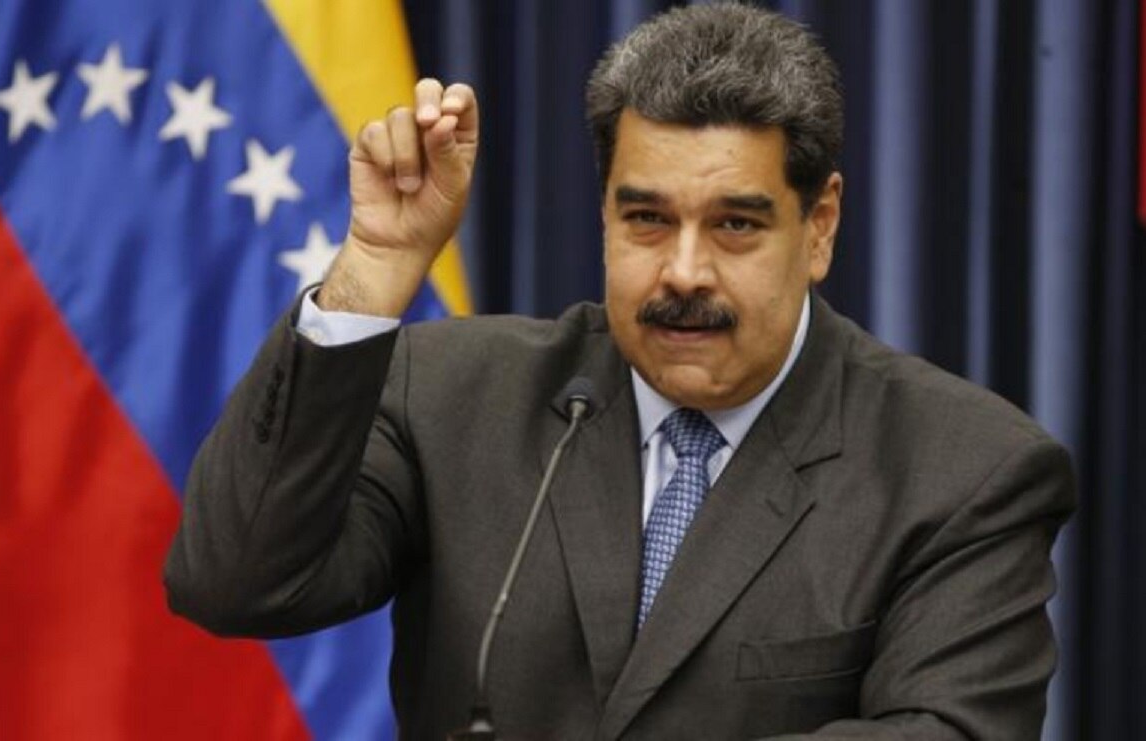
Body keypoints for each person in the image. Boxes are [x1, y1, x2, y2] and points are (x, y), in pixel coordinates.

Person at [165, 5, 1075, 739]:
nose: (683, 271)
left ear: (820, 224)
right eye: (645, 219)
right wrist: (372, 267)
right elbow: (237, 580)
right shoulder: (450, 394)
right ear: (602, 213)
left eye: (735, 225)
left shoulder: (963, 469)